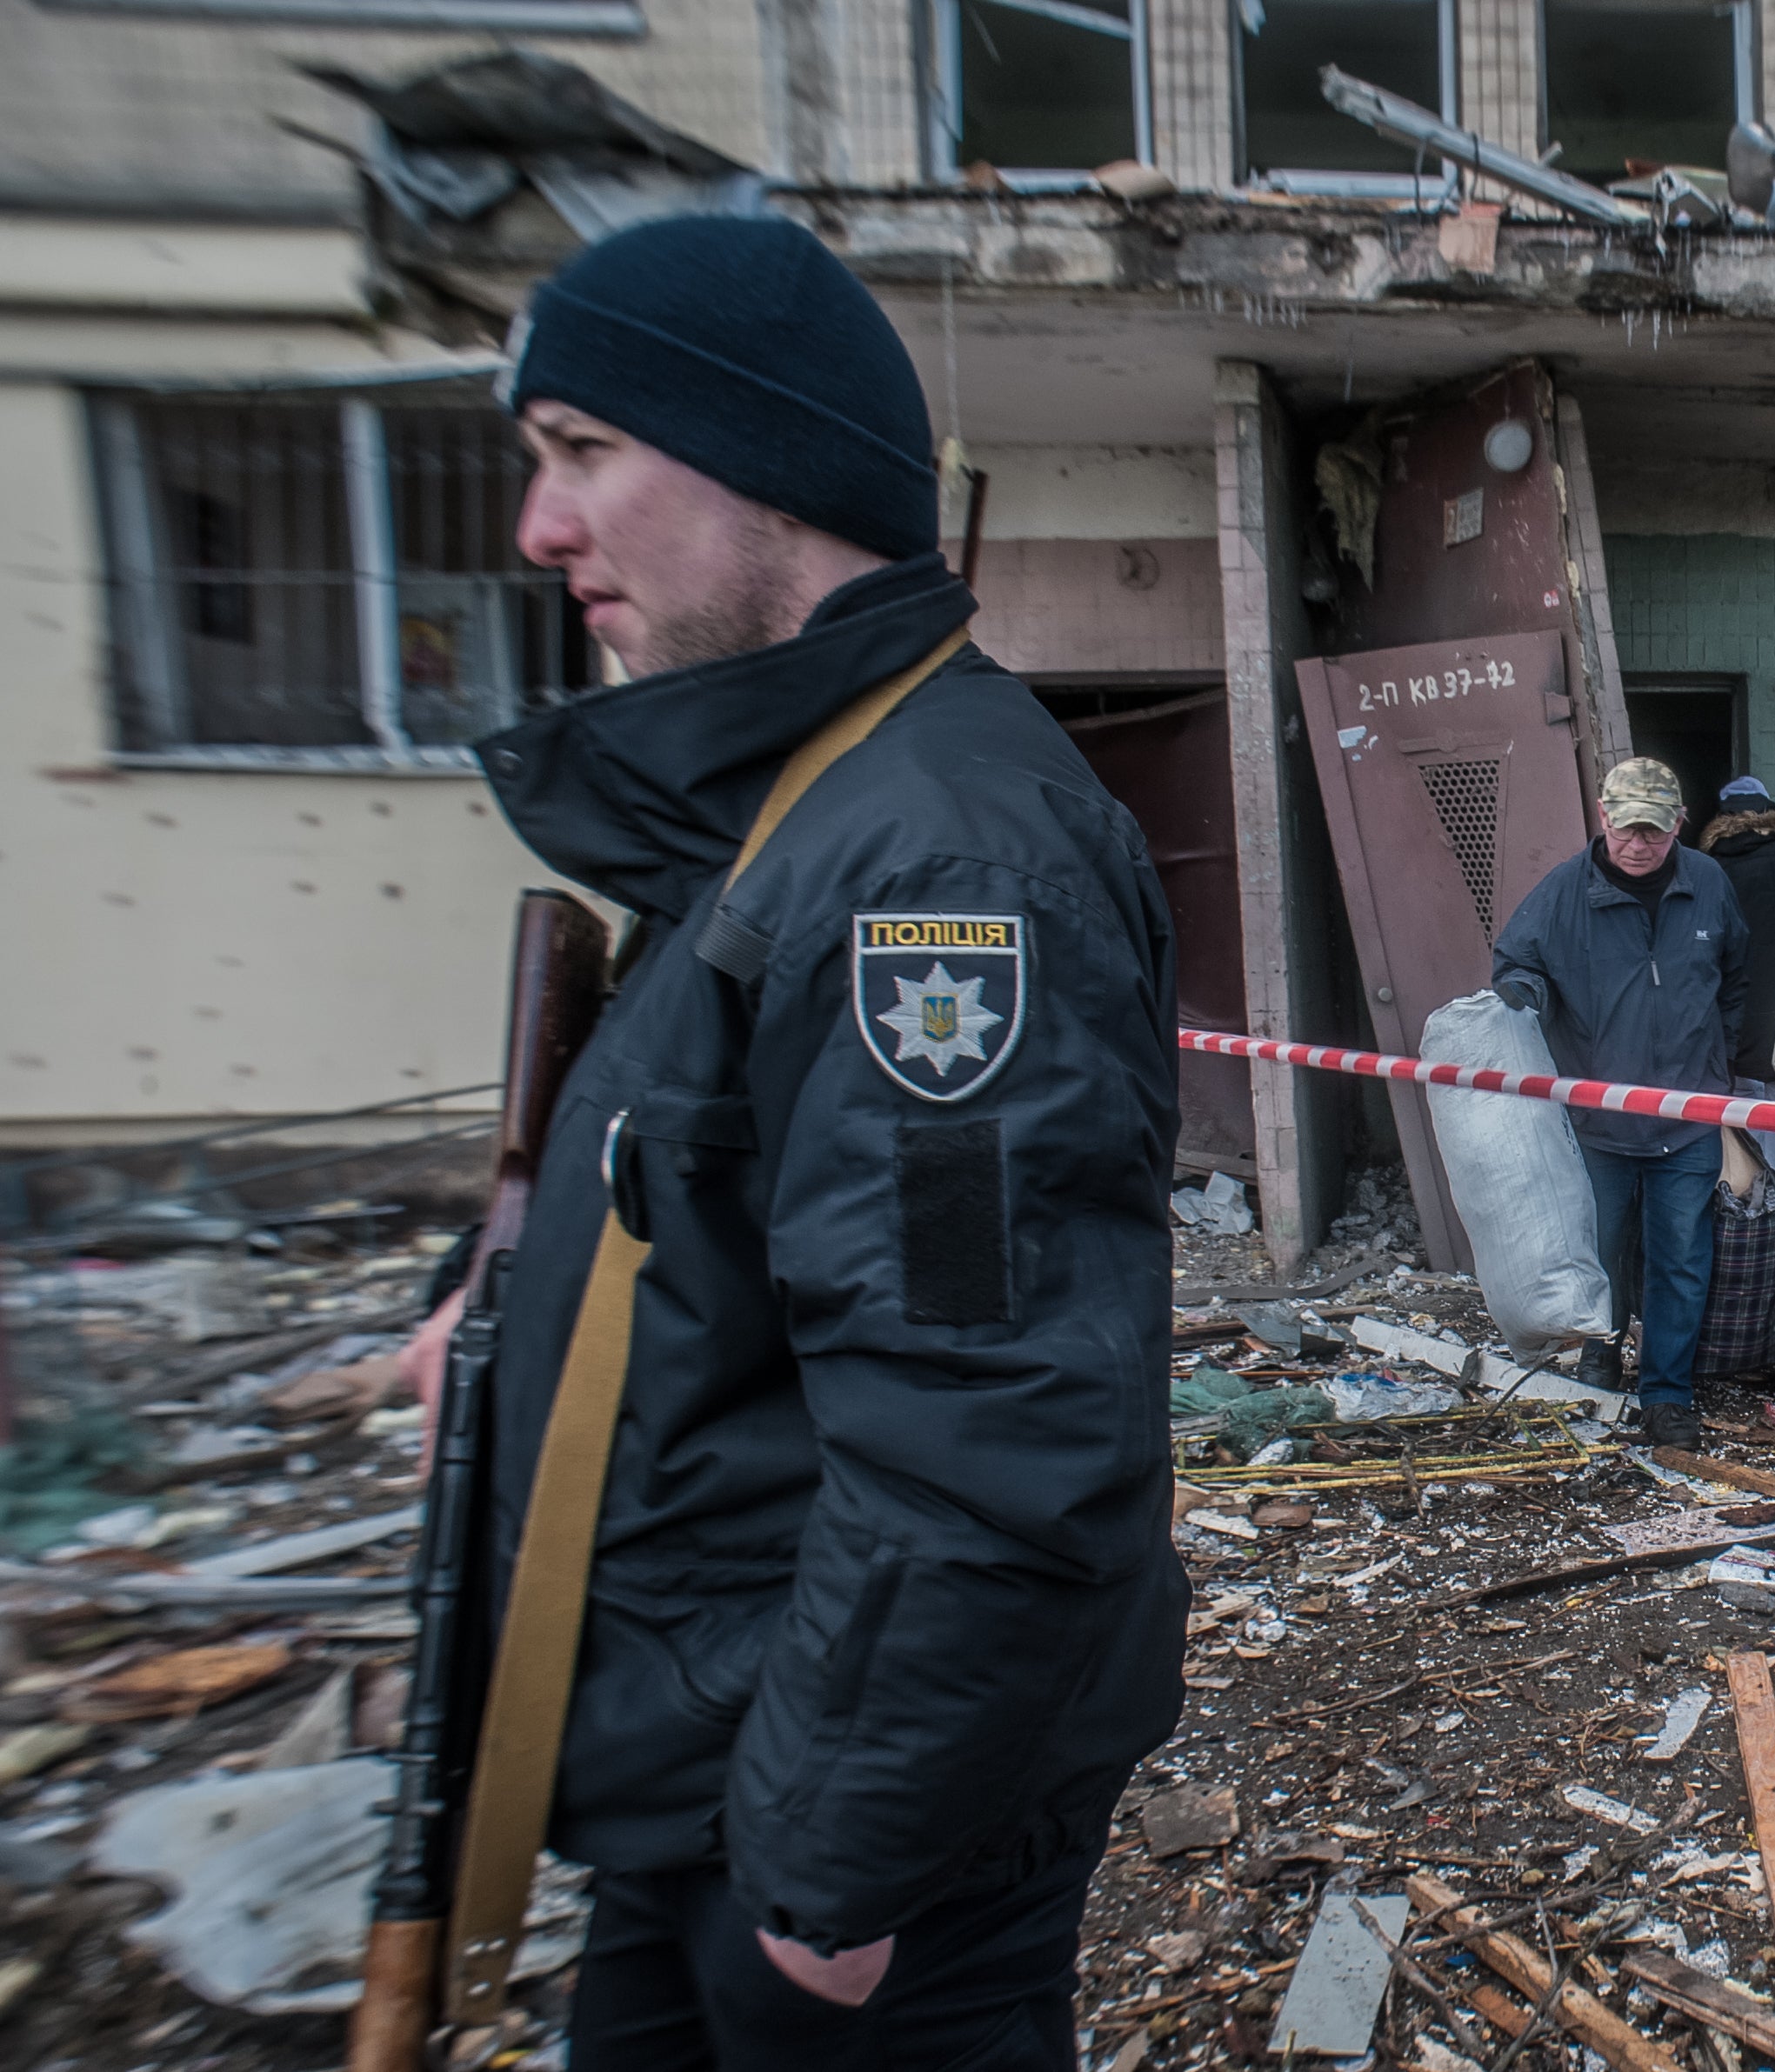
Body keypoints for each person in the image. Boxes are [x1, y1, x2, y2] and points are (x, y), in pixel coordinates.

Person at [391, 215, 1186, 2070]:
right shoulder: (788, 818)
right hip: (729, 1756)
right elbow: (694, 1181)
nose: (538, 530)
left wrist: (827, 1886)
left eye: (582, 451)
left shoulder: (933, 868)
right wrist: (494, 1308)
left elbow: (984, 1427)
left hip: (835, 1832)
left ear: (762, 462)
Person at [1490, 757, 1747, 1450]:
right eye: (1626, 829)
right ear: (1602, 818)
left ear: (1677, 827)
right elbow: (1515, 962)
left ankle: (1667, 1392)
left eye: (1654, 833)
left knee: (1681, 1260)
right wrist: (1527, 998)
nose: (1638, 844)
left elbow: (1734, 980)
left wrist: (1722, 1068)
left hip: (1687, 1118)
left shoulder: (1708, 884)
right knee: (1598, 1253)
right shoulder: (1563, 893)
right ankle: (1600, 1357)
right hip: (1598, 1122)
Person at [1698, 776, 1775, 1236]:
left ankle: (1747, 1241)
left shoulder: (1705, 872)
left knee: (1738, 1146)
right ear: (1774, 815)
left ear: (1723, 822)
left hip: (1734, 1038)